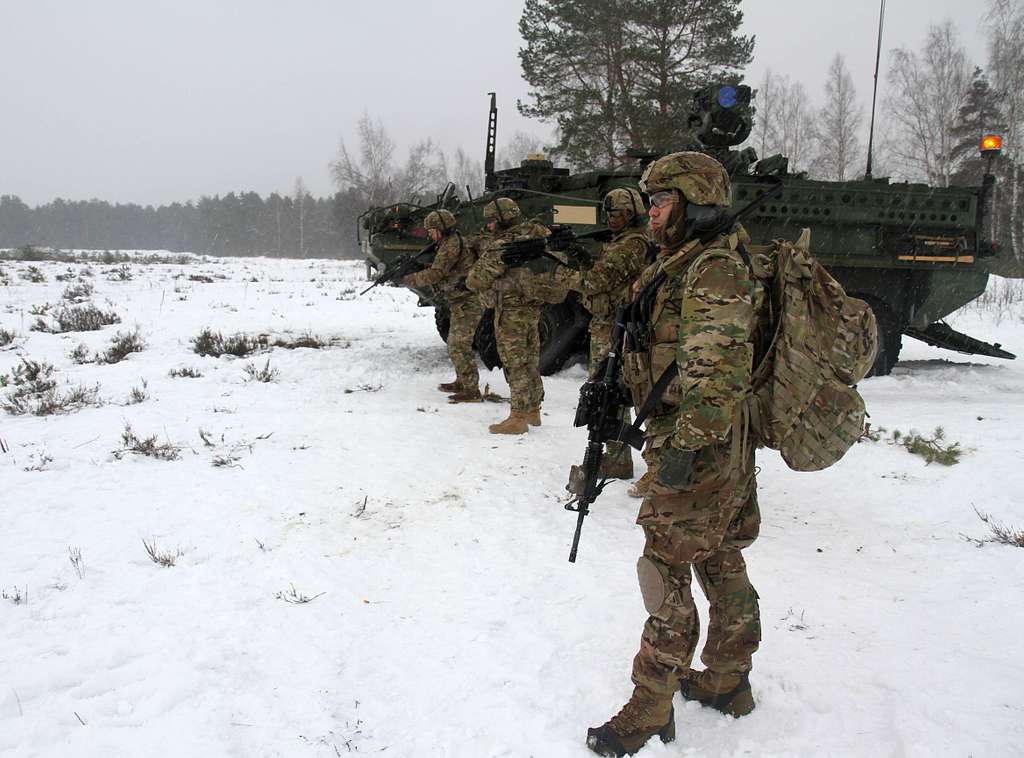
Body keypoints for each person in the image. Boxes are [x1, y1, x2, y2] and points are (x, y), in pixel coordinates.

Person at [586, 152, 763, 757]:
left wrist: (685, 450)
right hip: (710, 436)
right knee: (719, 555)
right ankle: (725, 679)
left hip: (700, 439)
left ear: (694, 203)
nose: (652, 213)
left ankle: (650, 702)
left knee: (663, 565)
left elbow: (716, 376)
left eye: (661, 202)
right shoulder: (685, 260)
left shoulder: (712, 269)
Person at [562, 188, 650, 479]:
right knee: (609, 395)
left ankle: (623, 459)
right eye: (609, 214)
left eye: (619, 214)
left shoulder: (632, 244)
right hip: (610, 325)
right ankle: (617, 458)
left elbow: (596, 281)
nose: (612, 219)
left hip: (618, 328)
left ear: (633, 214)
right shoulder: (622, 242)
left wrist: (566, 278)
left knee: (610, 393)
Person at [466, 197, 559, 434]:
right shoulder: (538, 236)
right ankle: (533, 410)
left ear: (502, 220)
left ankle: (517, 417)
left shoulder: (504, 244)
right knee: (530, 360)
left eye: (492, 221)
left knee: (514, 363)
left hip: (509, 311)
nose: (489, 227)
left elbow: (476, 279)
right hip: (533, 308)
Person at [401, 209, 483, 402]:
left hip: (467, 301)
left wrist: (407, 279)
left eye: (432, 230)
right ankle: (462, 382)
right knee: (456, 344)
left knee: (459, 344)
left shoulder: (451, 246)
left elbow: (436, 273)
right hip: (460, 300)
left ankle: (472, 391)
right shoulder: (449, 243)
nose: (430, 234)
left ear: (442, 228)